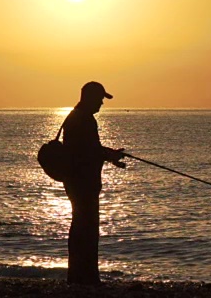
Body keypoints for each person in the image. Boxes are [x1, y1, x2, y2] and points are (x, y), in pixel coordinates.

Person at [62, 81, 125, 286]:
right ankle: (85, 278)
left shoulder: (75, 117)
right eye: (99, 99)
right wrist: (109, 155)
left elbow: (88, 149)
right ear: (89, 97)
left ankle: (80, 277)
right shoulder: (85, 120)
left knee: (81, 227)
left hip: (77, 182)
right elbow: (88, 152)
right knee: (86, 229)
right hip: (83, 183)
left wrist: (110, 156)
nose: (101, 103)